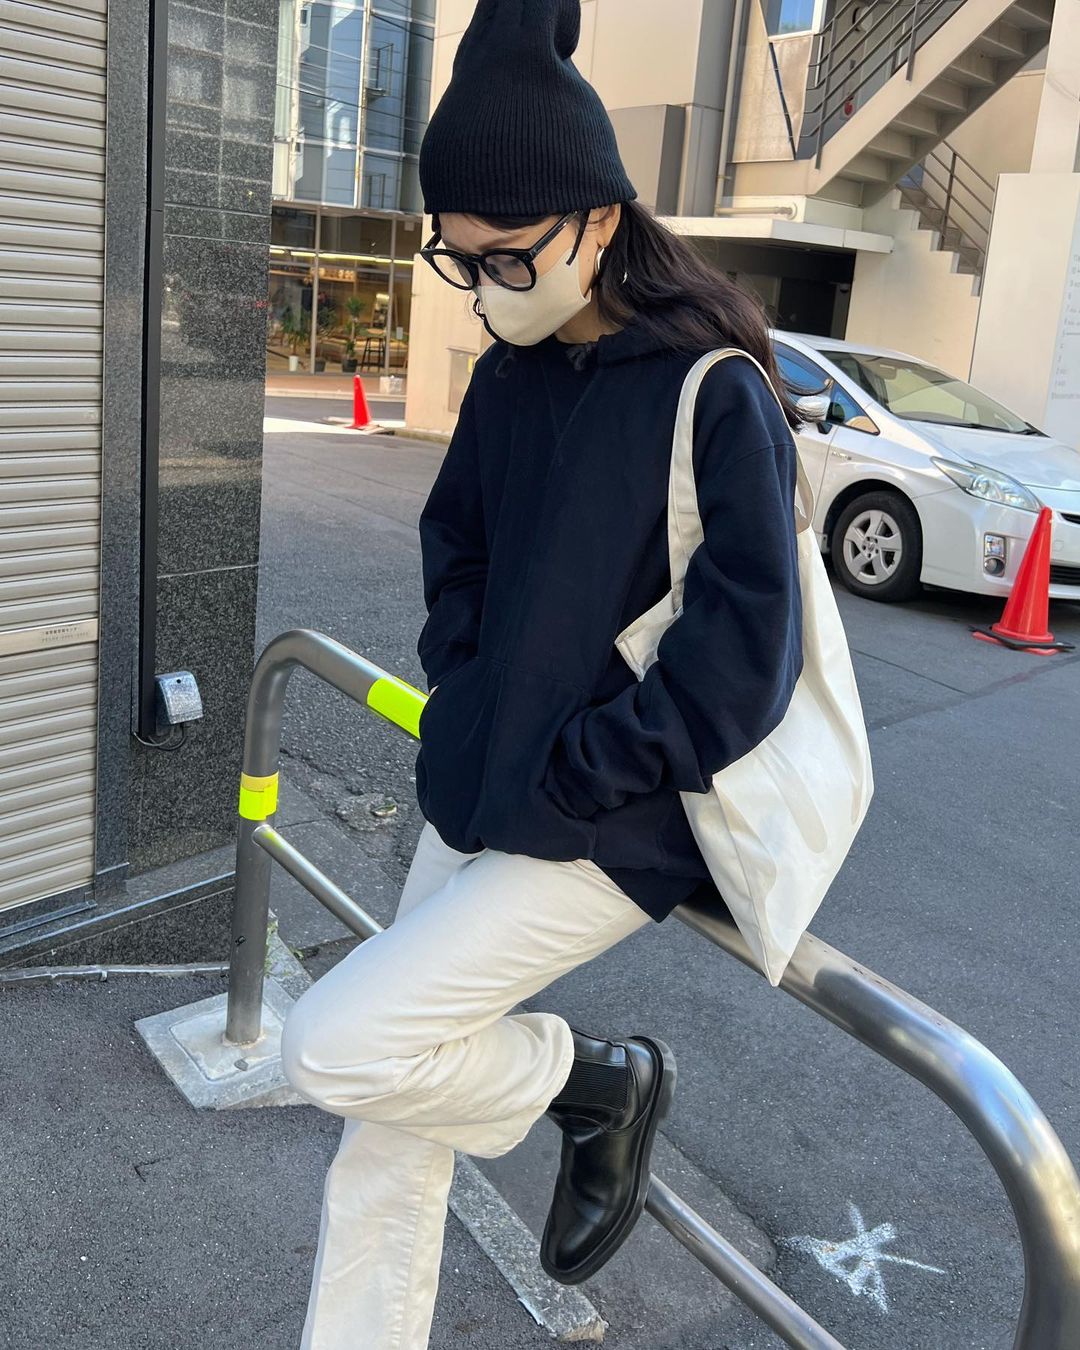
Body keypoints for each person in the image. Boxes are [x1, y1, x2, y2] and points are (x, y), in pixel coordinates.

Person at [279, 1, 805, 1345]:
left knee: (338, 1043)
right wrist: (463, 683)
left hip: (606, 821)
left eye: (508, 256)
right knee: (386, 1132)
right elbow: (455, 544)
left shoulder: (711, 389)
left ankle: (595, 1084)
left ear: (598, 221)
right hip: (481, 778)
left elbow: (747, 656)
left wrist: (585, 766)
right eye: (461, 260)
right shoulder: (511, 373)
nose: (487, 286)